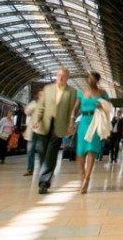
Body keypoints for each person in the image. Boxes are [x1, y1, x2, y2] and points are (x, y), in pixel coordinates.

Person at [32, 66, 78, 194]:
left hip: (60, 126)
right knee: (42, 152)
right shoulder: (48, 89)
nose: (60, 78)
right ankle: (45, 172)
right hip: (44, 124)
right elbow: (41, 106)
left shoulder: (72, 92)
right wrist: (36, 119)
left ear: (67, 77)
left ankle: (44, 182)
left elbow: (72, 111)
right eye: (58, 75)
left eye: (63, 76)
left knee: (51, 153)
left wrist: (71, 125)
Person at [72, 70, 109, 193]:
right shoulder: (81, 93)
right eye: (88, 78)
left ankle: (87, 179)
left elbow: (109, 108)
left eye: (92, 78)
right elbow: (75, 108)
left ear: (97, 80)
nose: (89, 80)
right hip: (83, 122)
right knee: (80, 152)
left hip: (95, 121)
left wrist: (102, 106)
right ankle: (82, 175)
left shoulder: (103, 93)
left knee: (91, 150)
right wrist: (72, 120)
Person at [23, 90, 44, 176]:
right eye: (40, 95)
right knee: (30, 150)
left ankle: (44, 169)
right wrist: (35, 104)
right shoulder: (34, 104)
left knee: (42, 151)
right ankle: (30, 169)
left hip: (42, 131)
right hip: (32, 131)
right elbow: (26, 111)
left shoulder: (48, 105)